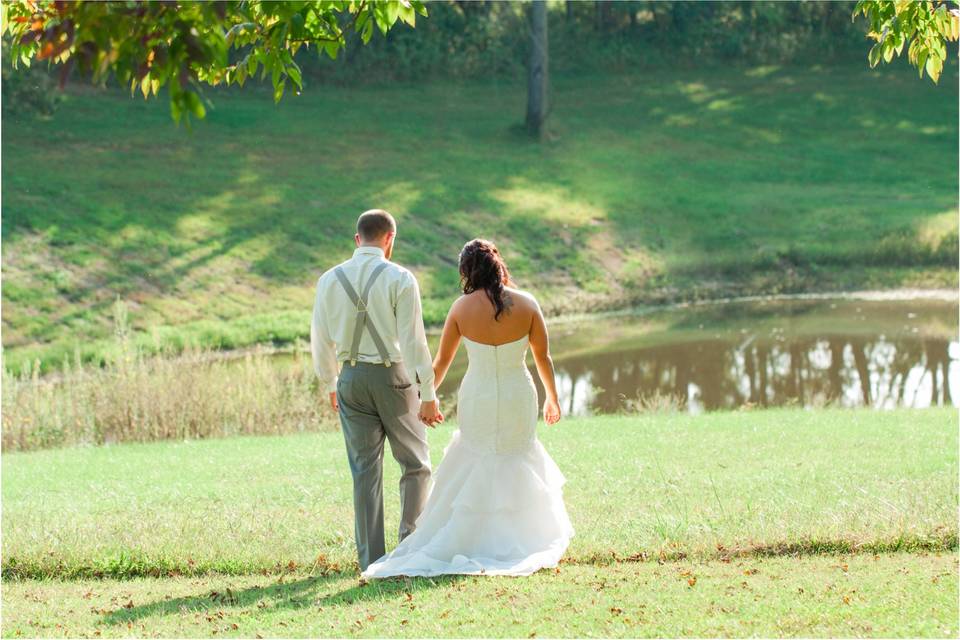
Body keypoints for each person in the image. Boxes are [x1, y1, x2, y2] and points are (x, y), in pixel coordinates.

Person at [362, 238, 573, 578]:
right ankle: (521, 537)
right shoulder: (528, 303)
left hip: (478, 394)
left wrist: (426, 397)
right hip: (519, 393)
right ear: (498, 265)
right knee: (516, 455)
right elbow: (542, 357)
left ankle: (471, 538)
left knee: (479, 456)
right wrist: (553, 397)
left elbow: (442, 362)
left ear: (466, 272)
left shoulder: (461, 309)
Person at [311, 209, 443, 572]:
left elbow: (320, 339)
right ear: (390, 239)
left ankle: (371, 561)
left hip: (350, 378)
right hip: (394, 379)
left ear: (358, 240)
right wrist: (428, 393)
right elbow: (414, 343)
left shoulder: (328, 280)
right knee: (416, 465)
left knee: (364, 471)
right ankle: (409, 551)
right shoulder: (400, 277)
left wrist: (330, 381)